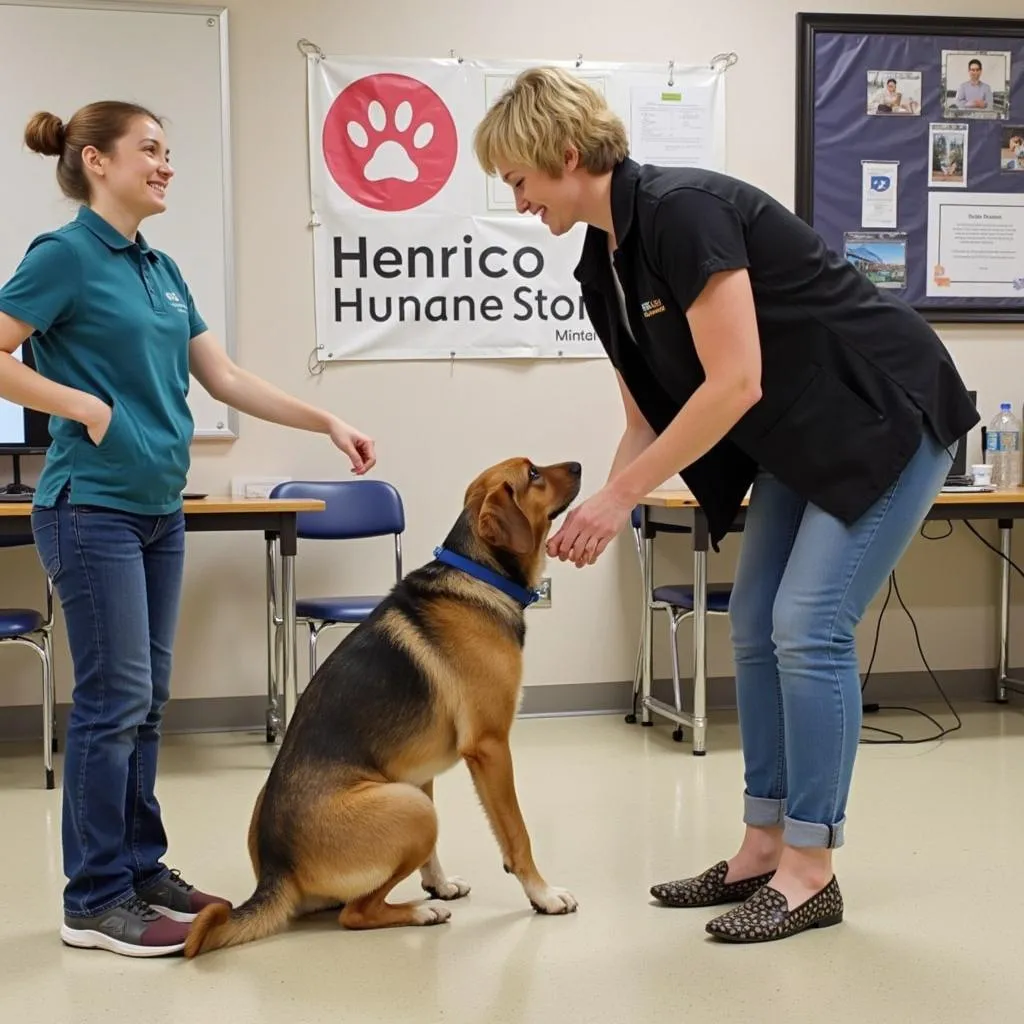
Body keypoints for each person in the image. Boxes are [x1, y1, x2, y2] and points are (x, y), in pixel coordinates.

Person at [473, 68, 978, 944]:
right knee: (752, 622)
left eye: (516, 179)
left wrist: (621, 495)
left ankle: (811, 867)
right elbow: (642, 415)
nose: (516, 200)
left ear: (561, 154)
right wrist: (598, 509)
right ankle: (761, 844)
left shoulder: (683, 210)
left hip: (886, 414)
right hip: (801, 436)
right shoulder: (603, 262)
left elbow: (735, 380)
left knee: (810, 623)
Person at [0, 101, 376, 958]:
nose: (167, 165)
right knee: (112, 701)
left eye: (170, 152)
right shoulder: (63, 255)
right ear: (96, 161)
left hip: (157, 513)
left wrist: (325, 420)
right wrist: (82, 406)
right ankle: (93, 899)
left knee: (147, 701)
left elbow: (227, 377)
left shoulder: (159, 266)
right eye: (150, 151)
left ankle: (139, 869)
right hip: (87, 506)